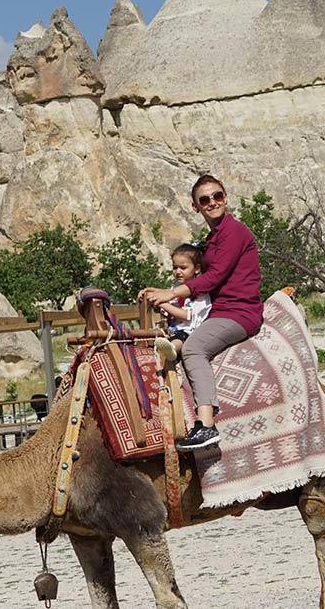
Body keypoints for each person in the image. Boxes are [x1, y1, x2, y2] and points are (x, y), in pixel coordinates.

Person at [139, 175, 264, 451]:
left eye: (217, 196)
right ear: (195, 206)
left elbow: (214, 278)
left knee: (194, 349)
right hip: (219, 312)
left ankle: (206, 425)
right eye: (205, 199)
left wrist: (171, 293)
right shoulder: (212, 239)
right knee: (179, 339)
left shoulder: (235, 232)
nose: (213, 202)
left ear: (226, 197)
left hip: (238, 312)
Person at [153, 243, 212, 364]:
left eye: (183, 268)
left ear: (197, 268)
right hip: (174, 327)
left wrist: (163, 305)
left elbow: (187, 315)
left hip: (190, 330)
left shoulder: (200, 293)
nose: (178, 271)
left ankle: (172, 349)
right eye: (175, 268)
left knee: (180, 337)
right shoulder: (176, 287)